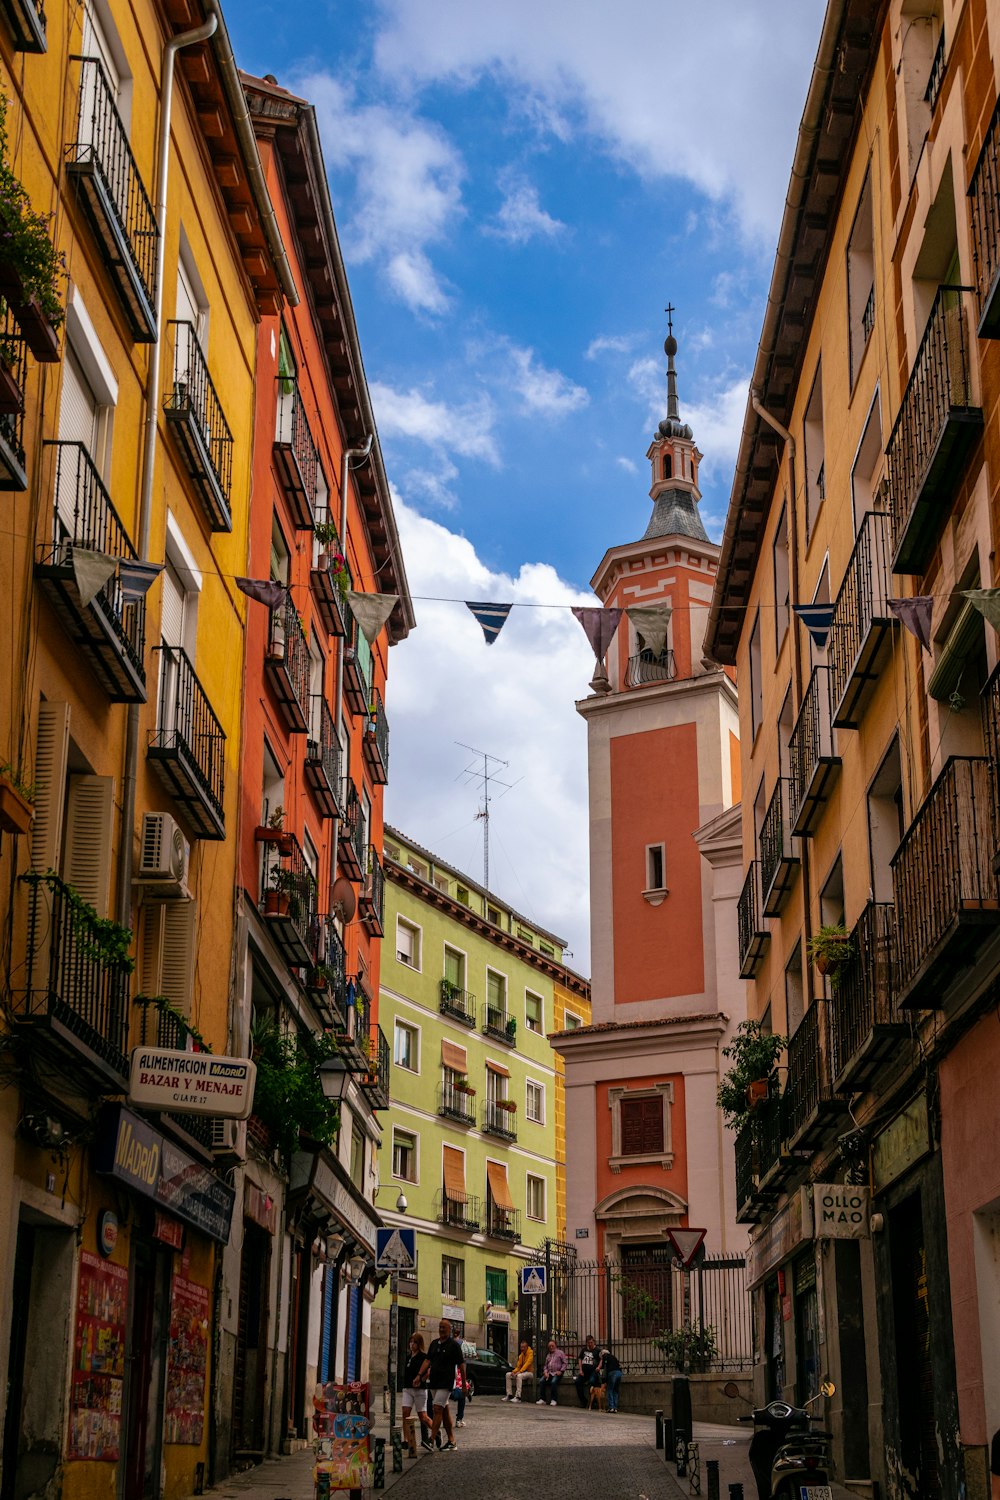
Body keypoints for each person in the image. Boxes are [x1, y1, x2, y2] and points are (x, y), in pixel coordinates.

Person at [418, 1318, 466, 1451]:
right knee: (444, 1411)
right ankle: (451, 1441)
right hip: (434, 1382)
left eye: (444, 1327)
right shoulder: (434, 1344)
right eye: (440, 1327)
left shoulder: (454, 1345)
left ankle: (431, 1439)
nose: (441, 1329)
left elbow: (461, 1365)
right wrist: (419, 1375)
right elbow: (428, 1361)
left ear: (450, 1329)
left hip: (446, 1382)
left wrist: (463, 1384)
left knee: (437, 1409)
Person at [401, 1334, 433, 1455]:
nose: (411, 1344)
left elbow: (429, 1370)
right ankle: (406, 1439)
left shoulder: (423, 1357)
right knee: (405, 1412)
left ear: (419, 1344)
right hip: (407, 1389)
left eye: (414, 1342)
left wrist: (422, 1379)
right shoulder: (409, 1357)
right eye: (410, 1342)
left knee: (423, 1417)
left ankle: (436, 1431)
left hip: (420, 1390)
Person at [536, 1340, 568, 1405]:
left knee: (553, 1382)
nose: (551, 1347)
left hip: (557, 1373)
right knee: (541, 1381)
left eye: (552, 1346)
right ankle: (543, 1399)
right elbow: (545, 1365)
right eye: (549, 1346)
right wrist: (545, 1372)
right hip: (549, 1373)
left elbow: (565, 1363)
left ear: (555, 1345)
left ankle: (554, 1399)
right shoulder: (548, 1355)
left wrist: (561, 1371)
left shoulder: (560, 1353)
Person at [595, 1345, 623, 1412]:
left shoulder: (605, 1356)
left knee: (610, 1390)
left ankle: (611, 1407)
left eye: (601, 1357)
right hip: (619, 1373)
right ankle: (615, 1408)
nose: (601, 1358)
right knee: (615, 1391)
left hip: (612, 1373)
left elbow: (604, 1368)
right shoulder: (613, 1357)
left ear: (602, 1354)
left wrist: (599, 1369)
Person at [574, 1334, 599, 1406]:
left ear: (594, 1342)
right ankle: (583, 1401)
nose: (590, 1344)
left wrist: (599, 1367)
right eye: (588, 1343)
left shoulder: (597, 1350)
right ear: (586, 1343)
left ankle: (593, 1401)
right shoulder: (584, 1350)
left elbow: (601, 1360)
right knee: (578, 1382)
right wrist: (580, 1370)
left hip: (593, 1372)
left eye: (591, 1342)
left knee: (591, 1382)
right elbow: (580, 1359)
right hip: (584, 1372)